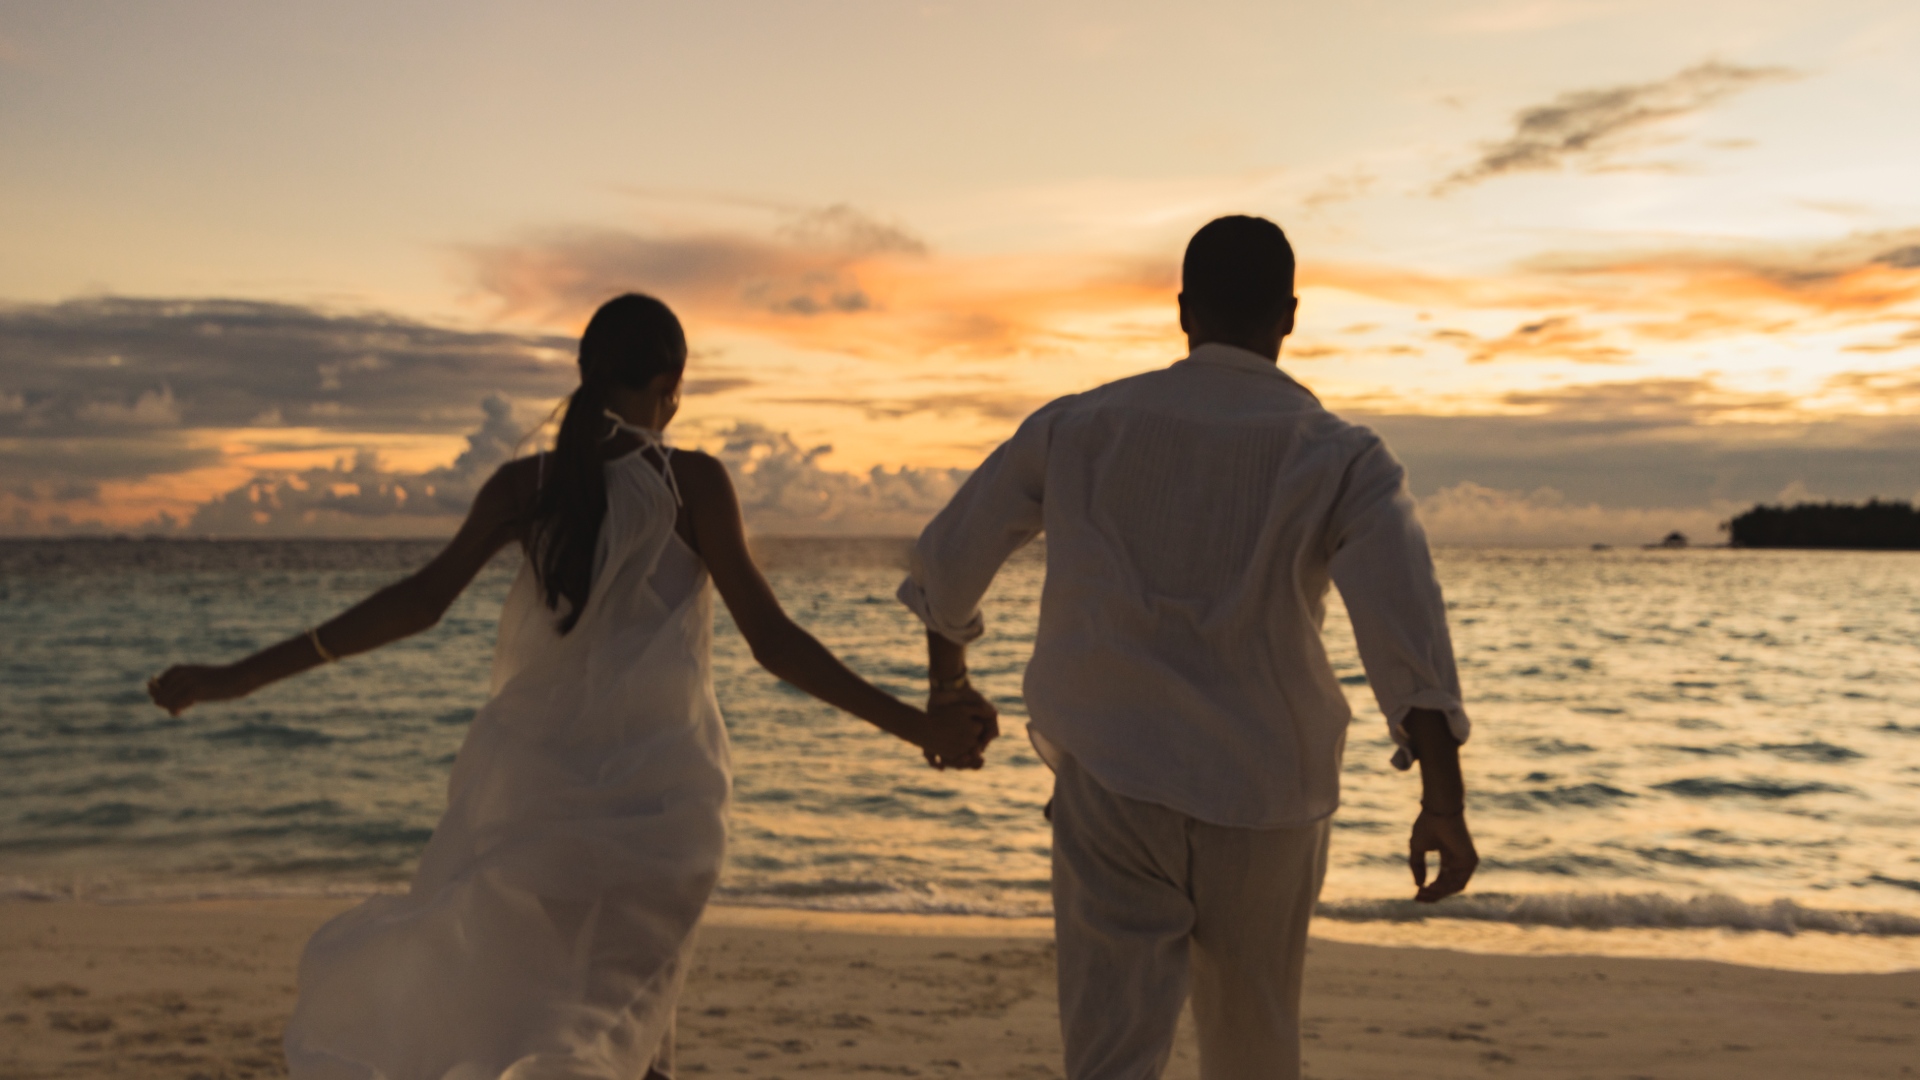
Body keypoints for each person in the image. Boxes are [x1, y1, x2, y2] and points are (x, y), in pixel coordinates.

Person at [147, 293, 995, 1080]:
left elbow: (414, 604)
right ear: (672, 383)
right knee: (621, 1024)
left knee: (591, 1023)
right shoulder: (690, 481)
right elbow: (773, 643)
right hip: (666, 806)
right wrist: (916, 727)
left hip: (533, 799)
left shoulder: (529, 487)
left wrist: (235, 677)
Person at [896, 216, 1478, 1080]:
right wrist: (1441, 798)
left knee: (1110, 1055)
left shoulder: (1080, 427)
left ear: (1182, 310)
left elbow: (948, 567)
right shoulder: (1344, 457)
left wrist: (952, 684)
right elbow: (1406, 629)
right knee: (1255, 1047)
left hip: (1114, 782)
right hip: (1267, 791)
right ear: (1288, 315)